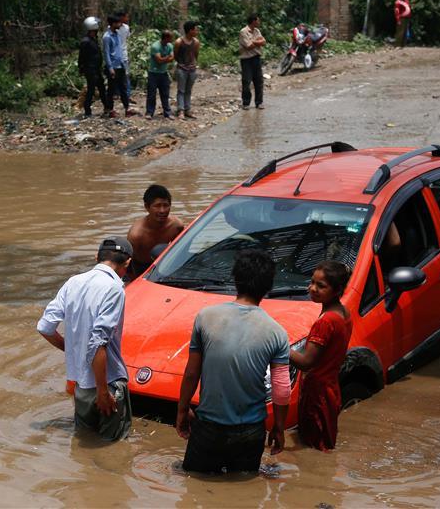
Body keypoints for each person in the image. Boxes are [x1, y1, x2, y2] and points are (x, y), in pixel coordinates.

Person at [176, 249, 291, 473]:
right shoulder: (277, 332)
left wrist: (182, 410)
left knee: (195, 490)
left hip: (209, 427)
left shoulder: (205, 317)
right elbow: (282, 390)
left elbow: (192, 372)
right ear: (268, 287)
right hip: (251, 431)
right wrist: (279, 427)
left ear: (235, 280)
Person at [36, 237, 134, 441]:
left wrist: (72, 349)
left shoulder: (73, 282)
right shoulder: (114, 289)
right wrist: (103, 393)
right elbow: (99, 342)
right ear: (127, 263)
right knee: (113, 448)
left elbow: (45, 327)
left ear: (97, 257)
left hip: (80, 384)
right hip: (107, 384)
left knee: (83, 440)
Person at [289, 260, 353, 452]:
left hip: (317, 393)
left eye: (321, 286)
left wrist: (278, 347)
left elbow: (306, 363)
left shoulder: (326, 322)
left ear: (337, 290)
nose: (312, 288)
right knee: (323, 444)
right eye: (312, 282)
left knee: (315, 448)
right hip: (330, 388)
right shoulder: (343, 312)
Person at [126, 184, 185, 280]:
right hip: (141, 269)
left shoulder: (176, 226)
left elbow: (182, 252)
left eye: (166, 205)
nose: (162, 210)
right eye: (157, 206)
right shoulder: (136, 235)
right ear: (147, 207)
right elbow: (127, 264)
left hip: (166, 266)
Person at [102, 15, 138, 117]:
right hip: (113, 67)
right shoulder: (107, 37)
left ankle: (127, 108)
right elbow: (106, 53)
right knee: (111, 90)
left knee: (123, 88)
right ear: (113, 24)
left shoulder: (117, 34)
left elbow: (119, 50)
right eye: (118, 23)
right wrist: (110, 68)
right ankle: (110, 110)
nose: (119, 25)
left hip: (120, 65)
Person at [77, 16, 110, 118]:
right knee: (91, 89)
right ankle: (87, 110)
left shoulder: (93, 39)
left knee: (101, 88)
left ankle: (107, 107)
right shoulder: (86, 41)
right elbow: (81, 57)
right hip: (90, 69)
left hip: (96, 69)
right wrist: (82, 68)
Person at [174, 21, 201, 119]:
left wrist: (193, 64)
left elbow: (196, 54)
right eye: (195, 29)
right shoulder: (179, 42)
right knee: (181, 90)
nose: (197, 31)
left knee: (188, 90)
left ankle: (187, 109)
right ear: (190, 30)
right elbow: (176, 55)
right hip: (182, 68)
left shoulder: (196, 42)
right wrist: (182, 63)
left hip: (192, 69)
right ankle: (181, 110)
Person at [239, 14, 266, 110]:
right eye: (258, 21)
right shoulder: (243, 31)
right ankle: (246, 103)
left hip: (256, 58)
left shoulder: (257, 31)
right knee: (246, 81)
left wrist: (253, 41)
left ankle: (259, 102)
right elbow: (248, 46)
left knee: (259, 81)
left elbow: (263, 41)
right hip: (246, 59)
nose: (259, 22)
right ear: (253, 21)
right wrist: (257, 42)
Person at [145, 30, 175, 120]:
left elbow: (172, 58)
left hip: (164, 72)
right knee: (151, 94)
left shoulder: (169, 46)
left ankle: (167, 112)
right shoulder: (155, 46)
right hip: (153, 73)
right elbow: (159, 61)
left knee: (165, 94)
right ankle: (149, 112)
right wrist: (167, 58)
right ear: (166, 38)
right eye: (170, 38)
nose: (171, 40)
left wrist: (165, 59)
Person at [116, 10, 133, 102]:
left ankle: (127, 95)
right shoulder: (112, 28)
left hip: (124, 55)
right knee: (116, 76)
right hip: (115, 56)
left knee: (126, 76)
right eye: (126, 16)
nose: (128, 18)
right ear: (122, 17)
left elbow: (126, 39)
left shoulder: (126, 27)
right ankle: (118, 94)